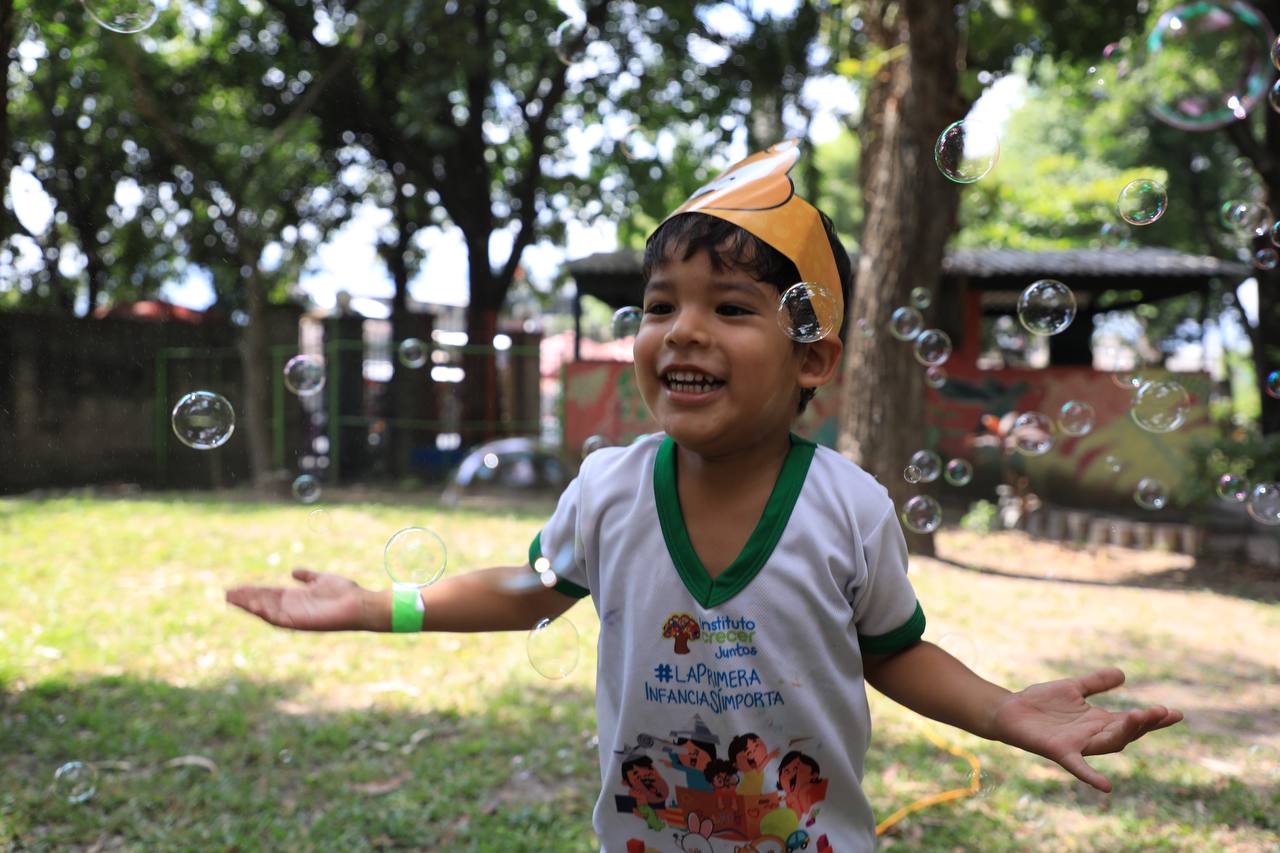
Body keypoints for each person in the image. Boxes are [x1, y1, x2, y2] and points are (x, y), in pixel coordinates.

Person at [226, 141, 1184, 851]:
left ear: (813, 356)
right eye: (659, 305)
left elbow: (894, 653)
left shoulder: (849, 508)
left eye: (730, 307)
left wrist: (1003, 709)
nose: (681, 331)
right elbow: (530, 590)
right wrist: (374, 605)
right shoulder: (609, 489)